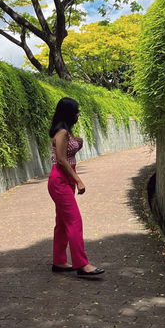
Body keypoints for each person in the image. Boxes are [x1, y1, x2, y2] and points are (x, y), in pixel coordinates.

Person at [47, 97, 105, 278]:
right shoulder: (62, 133)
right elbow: (62, 160)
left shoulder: (65, 132)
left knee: (63, 223)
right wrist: (79, 180)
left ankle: (59, 261)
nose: (78, 114)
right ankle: (82, 265)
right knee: (74, 221)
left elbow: (67, 154)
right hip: (60, 180)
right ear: (68, 113)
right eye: (76, 111)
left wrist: (77, 141)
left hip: (64, 180)